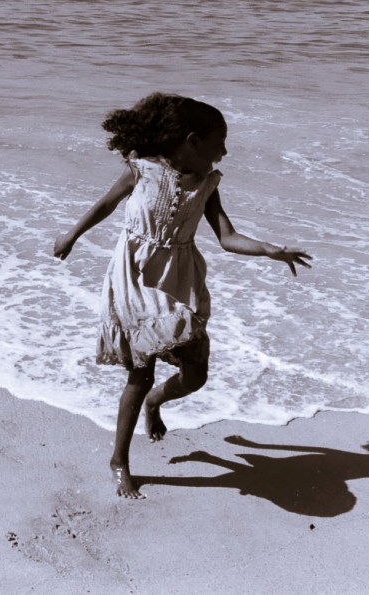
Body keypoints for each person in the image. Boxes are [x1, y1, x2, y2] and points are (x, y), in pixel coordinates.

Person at [53, 93, 311, 499]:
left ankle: (155, 403)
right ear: (193, 141)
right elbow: (105, 205)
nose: (225, 152)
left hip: (180, 277)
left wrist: (269, 250)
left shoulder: (208, 185)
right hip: (134, 276)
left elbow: (227, 237)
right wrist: (72, 235)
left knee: (196, 375)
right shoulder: (142, 170)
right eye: (219, 142)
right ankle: (119, 460)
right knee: (140, 372)